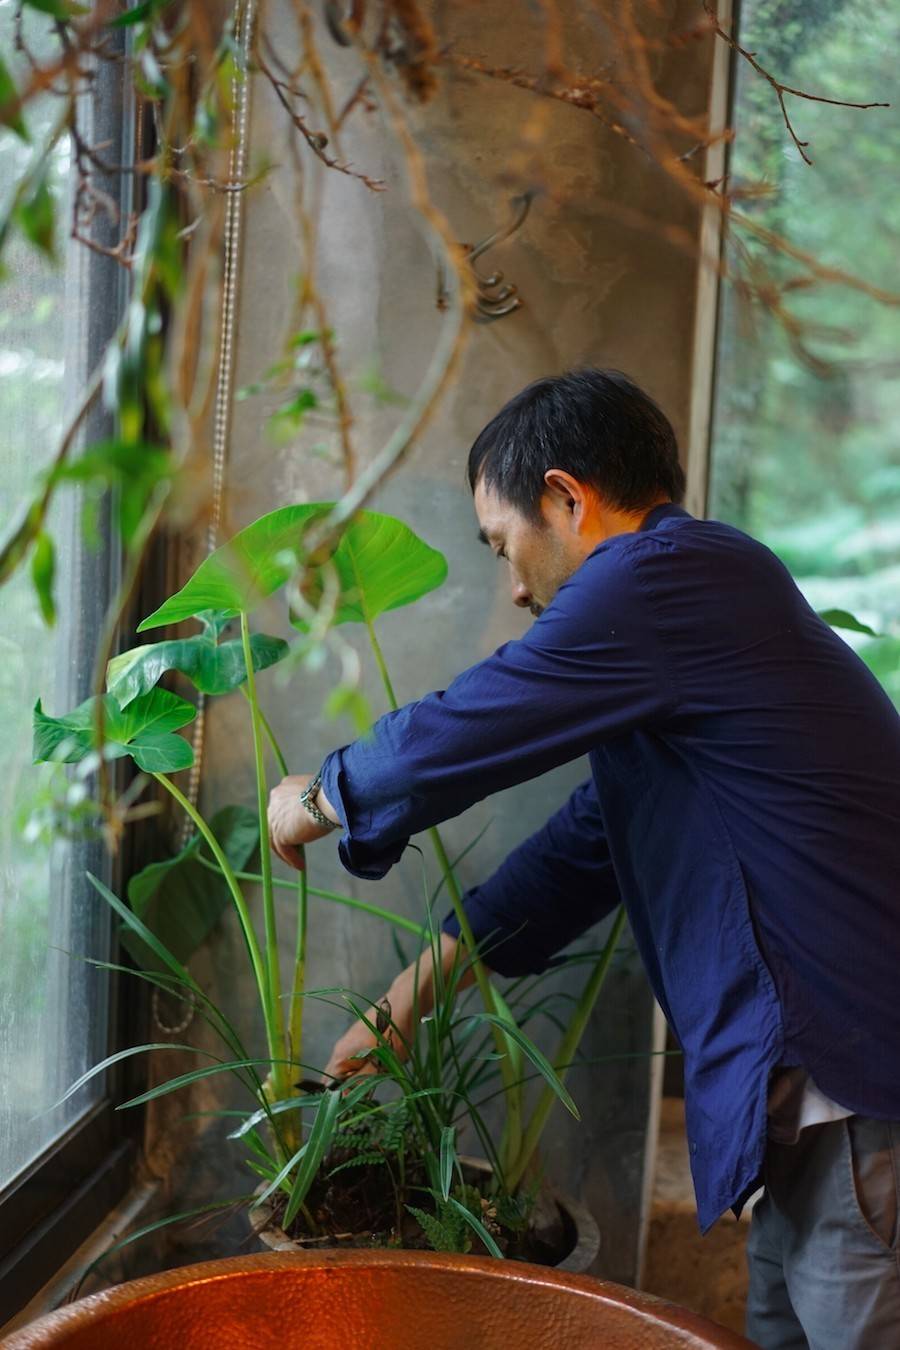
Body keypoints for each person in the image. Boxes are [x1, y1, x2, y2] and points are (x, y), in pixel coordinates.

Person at [267, 368, 900, 1350]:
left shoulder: (666, 575)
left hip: (864, 1087)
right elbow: (586, 847)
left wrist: (318, 796)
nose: (515, 588)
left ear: (567, 497)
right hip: (830, 1109)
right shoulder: (689, 625)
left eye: (505, 546)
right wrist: (411, 995)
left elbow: (476, 721)